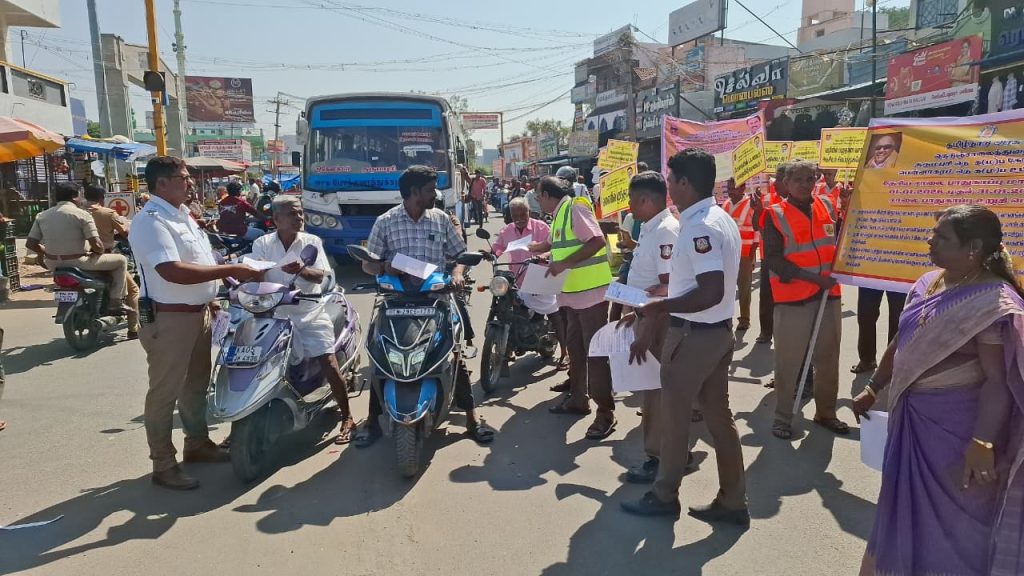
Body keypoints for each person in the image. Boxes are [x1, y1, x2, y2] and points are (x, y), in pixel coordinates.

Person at [853, 205, 1024, 576]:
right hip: (912, 420)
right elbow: (902, 339)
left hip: (957, 434)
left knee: (953, 525)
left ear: (973, 248)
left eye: (941, 237)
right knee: (902, 505)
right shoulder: (928, 282)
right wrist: (874, 386)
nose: (929, 241)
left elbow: (998, 381)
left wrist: (982, 443)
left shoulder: (992, 303)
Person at [620, 149, 747, 524]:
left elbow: (710, 290)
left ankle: (664, 495)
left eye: (671, 180)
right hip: (715, 332)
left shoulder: (698, 226)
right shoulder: (718, 218)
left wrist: (661, 307)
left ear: (685, 183)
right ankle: (733, 500)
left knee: (674, 420)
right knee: (719, 419)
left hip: (694, 335)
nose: (669, 187)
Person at [129, 156, 263, 490]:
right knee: (165, 392)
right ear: (162, 183)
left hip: (199, 312)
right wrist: (231, 270)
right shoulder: (150, 221)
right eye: (184, 177)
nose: (190, 183)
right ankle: (163, 463)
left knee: (196, 385)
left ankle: (197, 443)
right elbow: (171, 270)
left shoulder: (183, 215)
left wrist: (212, 297)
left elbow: (200, 260)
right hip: (169, 317)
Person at [355, 165, 494, 446]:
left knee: (452, 352)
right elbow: (368, 264)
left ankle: (472, 418)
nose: (435, 194)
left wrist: (457, 274)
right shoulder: (385, 221)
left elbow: (458, 256)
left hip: (435, 299)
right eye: (431, 190)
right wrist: (384, 267)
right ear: (414, 191)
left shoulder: (440, 219)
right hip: (395, 300)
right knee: (380, 354)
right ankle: (372, 421)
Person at [250, 195, 356, 444]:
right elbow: (255, 275)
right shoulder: (262, 243)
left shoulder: (311, 241)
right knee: (254, 362)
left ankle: (347, 417)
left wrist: (301, 269)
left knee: (328, 362)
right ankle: (245, 420)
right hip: (275, 313)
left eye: (300, 212)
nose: (299, 217)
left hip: (308, 312)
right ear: (276, 219)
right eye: (292, 213)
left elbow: (321, 276)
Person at [762, 160, 848, 440]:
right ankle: (783, 418)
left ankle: (826, 413)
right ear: (785, 183)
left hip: (828, 297)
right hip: (793, 301)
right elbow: (773, 260)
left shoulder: (826, 205)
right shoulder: (774, 214)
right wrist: (814, 279)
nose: (804, 184)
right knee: (788, 362)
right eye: (797, 179)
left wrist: (849, 207)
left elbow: (840, 240)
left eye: (809, 179)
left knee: (828, 359)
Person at [529, 175, 616, 440]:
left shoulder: (575, 207)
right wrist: (543, 251)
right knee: (576, 350)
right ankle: (578, 399)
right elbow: (562, 245)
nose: (537, 200)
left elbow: (596, 240)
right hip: (571, 295)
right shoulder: (560, 214)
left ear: (547, 195)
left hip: (590, 295)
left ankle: (605, 413)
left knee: (596, 355)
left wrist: (563, 264)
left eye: (538, 195)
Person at [615, 171, 684, 484]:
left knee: (656, 391)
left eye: (631, 199)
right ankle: (668, 454)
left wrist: (645, 327)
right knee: (655, 390)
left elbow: (667, 288)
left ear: (645, 200)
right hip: (646, 314)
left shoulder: (665, 231)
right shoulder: (650, 228)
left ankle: (659, 459)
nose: (629, 206)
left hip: (658, 320)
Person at [26, 182, 133, 318]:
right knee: (121, 260)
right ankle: (116, 301)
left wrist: (47, 252)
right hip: (79, 262)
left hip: (53, 264)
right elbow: (97, 244)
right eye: (80, 195)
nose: (82, 199)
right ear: (74, 196)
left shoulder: (42, 215)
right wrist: (98, 251)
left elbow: (31, 244)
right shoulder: (82, 214)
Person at [82, 185, 141, 339]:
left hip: (79, 259)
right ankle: (133, 329)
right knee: (134, 290)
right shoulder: (107, 213)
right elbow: (126, 233)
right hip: (104, 258)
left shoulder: (78, 212)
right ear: (102, 198)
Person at [750, 163, 790, 344]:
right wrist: (757, 210)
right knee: (766, 296)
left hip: (790, 257)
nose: (774, 183)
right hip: (768, 256)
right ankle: (766, 331)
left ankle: (788, 333)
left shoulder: (800, 201)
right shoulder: (766, 199)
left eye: (778, 179)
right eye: (774, 179)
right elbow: (756, 225)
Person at [721, 178, 756, 331]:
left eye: (733, 188)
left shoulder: (751, 204)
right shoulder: (726, 204)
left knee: (744, 288)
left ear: (742, 188)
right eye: (729, 188)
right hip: (728, 253)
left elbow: (757, 232)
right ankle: (726, 317)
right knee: (727, 287)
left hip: (745, 253)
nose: (730, 191)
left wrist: (752, 256)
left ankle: (744, 318)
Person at [850, 288, 907, 374]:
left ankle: (892, 362)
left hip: (898, 281)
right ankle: (867, 360)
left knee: (897, 318)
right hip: (870, 281)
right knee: (865, 315)